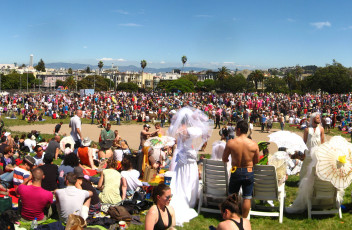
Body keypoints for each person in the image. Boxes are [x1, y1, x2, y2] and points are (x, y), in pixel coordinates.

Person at [168, 107, 210, 226]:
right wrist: (199, 119)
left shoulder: (177, 129)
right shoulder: (192, 130)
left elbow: (172, 131)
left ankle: (183, 196)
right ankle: (190, 199)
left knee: (180, 177)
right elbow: (204, 132)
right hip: (188, 157)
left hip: (181, 156)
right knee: (190, 177)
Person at [222, 120, 259, 218]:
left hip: (236, 170)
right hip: (248, 171)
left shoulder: (231, 142)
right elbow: (256, 161)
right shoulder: (254, 144)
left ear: (238, 129)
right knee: (247, 197)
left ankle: (230, 217)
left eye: (235, 129)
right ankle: (244, 219)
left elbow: (224, 158)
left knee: (232, 196)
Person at [301, 112, 324, 180]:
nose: (319, 119)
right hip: (308, 151)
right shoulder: (307, 129)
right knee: (306, 165)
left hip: (317, 151)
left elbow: (322, 141)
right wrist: (303, 151)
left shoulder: (321, 129)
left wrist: (323, 151)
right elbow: (304, 141)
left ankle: (315, 180)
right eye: (317, 118)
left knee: (316, 166)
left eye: (319, 118)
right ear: (313, 119)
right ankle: (304, 180)